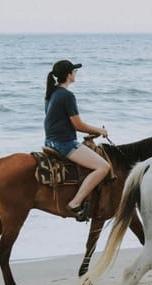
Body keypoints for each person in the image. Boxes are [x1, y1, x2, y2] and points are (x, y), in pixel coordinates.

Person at [43, 60, 110, 222]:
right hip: (64, 143)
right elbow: (78, 125)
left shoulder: (52, 93)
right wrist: (99, 130)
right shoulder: (67, 95)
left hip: (50, 141)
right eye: (74, 71)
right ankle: (75, 203)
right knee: (103, 167)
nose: (76, 74)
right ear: (68, 75)